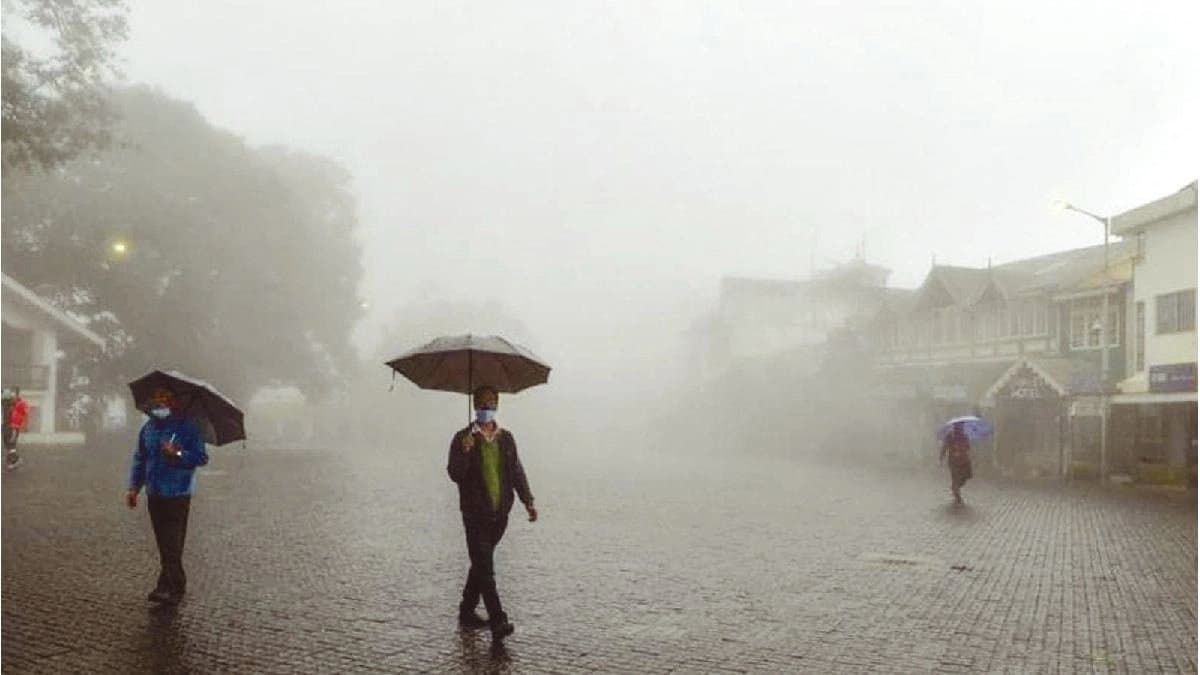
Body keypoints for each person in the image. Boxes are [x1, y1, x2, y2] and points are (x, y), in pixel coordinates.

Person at [447, 385, 537, 642]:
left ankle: (466, 610)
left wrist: (528, 500)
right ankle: (498, 619)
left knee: (480, 563)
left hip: (500, 516)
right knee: (486, 568)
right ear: (475, 406)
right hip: (475, 515)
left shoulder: (505, 438)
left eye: (492, 403)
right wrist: (464, 453)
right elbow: (455, 474)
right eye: (484, 403)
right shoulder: (463, 438)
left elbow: (516, 472)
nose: (488, 408)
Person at [125, 388, 208, 604]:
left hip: (177, 493)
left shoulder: (188, 427)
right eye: (157, 399)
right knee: (164, 542)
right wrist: (134, 488)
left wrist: (178, 453)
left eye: (165, 399)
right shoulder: (148, 429)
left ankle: (174, 586)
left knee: (172, 542)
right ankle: (167, 583)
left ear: (173, 402)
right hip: (154, 492)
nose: (160, 403)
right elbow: (140, 459)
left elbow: (201, 457)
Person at [939, 420, 973, 505]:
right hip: (953, 461)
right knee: (955, 477)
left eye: (962, 427)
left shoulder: (964, 436)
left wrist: (962, 448)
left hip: (964, 461)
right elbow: (945, 446)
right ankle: (957, 493)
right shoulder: (950, 436)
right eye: (960, 426)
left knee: (966, 476)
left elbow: (968, 447)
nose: (961, 428)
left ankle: (955, 487)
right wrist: (942, 456)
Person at [3, 386, 30, 469]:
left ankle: (16, 460)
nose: (12, 394)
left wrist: (24, 426)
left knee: (11, 444)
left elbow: (26, 415)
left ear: (17, 393)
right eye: (11, 392)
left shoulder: (21, 404)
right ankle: (11, 463)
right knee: (8, 445)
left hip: (13, 427)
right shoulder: (7, 402)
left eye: (13, 392)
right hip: (6, 426)